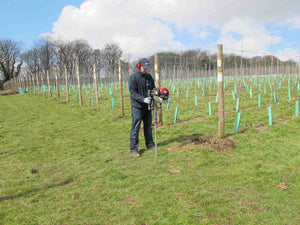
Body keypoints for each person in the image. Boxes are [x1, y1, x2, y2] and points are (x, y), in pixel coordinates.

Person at [128, 58, 155, 157]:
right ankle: (133, 149)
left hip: (147, 106)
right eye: (144, 67)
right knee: (135, 128)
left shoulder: (149, 77)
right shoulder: (133, 77)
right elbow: (132, 93)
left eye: (147, 68)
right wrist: (142, 99)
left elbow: (153, 88)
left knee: (148, 126)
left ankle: (150, 144)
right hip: (137, 107)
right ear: (140, 66)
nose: (146, 69)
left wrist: (156, 94)